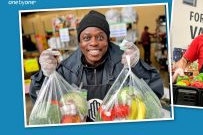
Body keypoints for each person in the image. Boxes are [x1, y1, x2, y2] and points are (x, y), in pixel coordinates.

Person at [29, 10, 164, 122]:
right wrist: (44, 75)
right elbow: (43, 104)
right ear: (80, 42)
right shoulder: (66, 69)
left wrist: (137, 66)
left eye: (100, 37)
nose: (94, 43)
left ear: (108, 39)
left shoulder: (125, 63)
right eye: (87, 38)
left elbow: (155, 93)